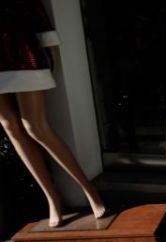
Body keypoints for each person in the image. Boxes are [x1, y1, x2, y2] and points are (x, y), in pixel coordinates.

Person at [0, 0, 106, 228]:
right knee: (9, 126)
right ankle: (52, 198)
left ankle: (89, 189)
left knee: (35, 127)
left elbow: (33, 7)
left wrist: (48, 42)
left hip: (19, 48)